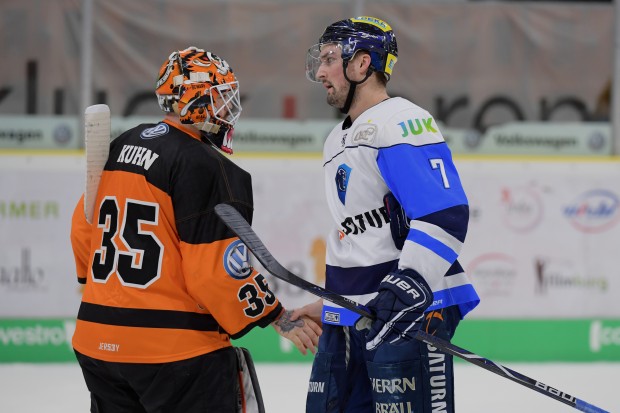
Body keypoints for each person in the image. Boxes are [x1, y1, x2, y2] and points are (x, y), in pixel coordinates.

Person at [70, 46, 321, 413]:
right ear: (195, 101)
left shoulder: (120, 145)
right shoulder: (203, 164)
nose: (227, 110)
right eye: (220, 98)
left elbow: (83, 230)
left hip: (96, 344)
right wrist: (275, 317)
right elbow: (214, 271)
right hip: (172, 353)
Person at [293, 17, 480, 412]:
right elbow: (361, 237)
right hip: (356, 315)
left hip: (412, 313)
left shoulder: (398, 122)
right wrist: (336, 305)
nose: (321, 71)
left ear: (362, 65)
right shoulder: (336, 138)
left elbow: (445, 213)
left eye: (329, 59)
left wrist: (407, 287)